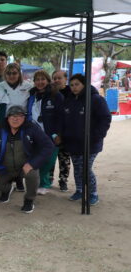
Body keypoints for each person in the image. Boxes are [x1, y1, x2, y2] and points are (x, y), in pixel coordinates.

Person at [0, 106, 54, 213]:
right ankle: (7, 188)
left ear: (24, 118)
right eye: (12, 116)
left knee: (33, 174)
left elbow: (49, 146)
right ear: (7, 118)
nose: (15, 119)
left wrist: (32, 164)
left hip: (25, 168)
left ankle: (29, 200)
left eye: (20, 116)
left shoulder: (31, 128)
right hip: (5, 168)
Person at [62, 74, 111, 205]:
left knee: (85, 168)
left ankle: (93, 193)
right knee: (77, 167)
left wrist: (96, 136)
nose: (74, 87)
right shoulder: (69, 100)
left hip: (90, 143)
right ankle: (79, 190)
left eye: (77, 84)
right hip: (73, 142)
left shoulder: (95, 99)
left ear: (84, 84)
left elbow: (105, 118)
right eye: (71, 85)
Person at [27, 70, 64, 195]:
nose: (40, 82)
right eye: (37, 79)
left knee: (49, 160)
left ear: (48, 81)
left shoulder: (56, 95)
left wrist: (58, 133)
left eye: (43, 79)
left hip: (51, 134)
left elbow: (61, 116)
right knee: (36, 159)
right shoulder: (32, 95)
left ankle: (44, 183)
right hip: (34, 133)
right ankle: (38, 182)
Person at [0, 63, 32, 191]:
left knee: (20, 152)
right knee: (6, 152)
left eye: (14, 73)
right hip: (6, 124)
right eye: (8, 73)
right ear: (4, 74)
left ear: (19, 74)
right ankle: (8, 178)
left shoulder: (28, 86)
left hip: (22, 123)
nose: (11, 76)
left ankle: (19, 179)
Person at [49, 70, 71, 191]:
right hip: (52, 131)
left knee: (64, 158)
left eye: (59, 78)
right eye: (54, 78)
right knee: (51, 157)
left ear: (65, 79)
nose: (56, 80)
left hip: (66, 131)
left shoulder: (70, 91)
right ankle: (49, 179)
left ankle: (63, 181)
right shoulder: (51, 92)